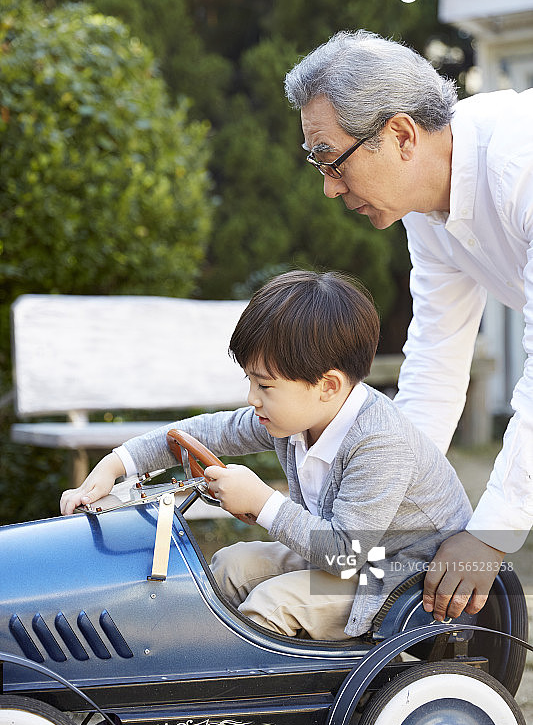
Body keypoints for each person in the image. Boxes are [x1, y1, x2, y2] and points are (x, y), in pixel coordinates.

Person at [60, 270, 471, 640]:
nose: (252, 399)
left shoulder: (379, 443)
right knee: (226, 568)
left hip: (397, 576)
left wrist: (262, 502)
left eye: (266, 386)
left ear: (327, 385)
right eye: (250, 381)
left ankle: (237, 714)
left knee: (271, 605)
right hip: (344, 558)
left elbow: (346, 552)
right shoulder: (294, 416)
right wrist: (117, 463)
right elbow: (208, 431)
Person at [284, 30, 533, 622]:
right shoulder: (427, 209)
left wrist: (492, 533)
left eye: (332, 159)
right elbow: (436, 361)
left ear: (399, 135)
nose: (328, 187)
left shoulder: (520, 164)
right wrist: (374, 527)